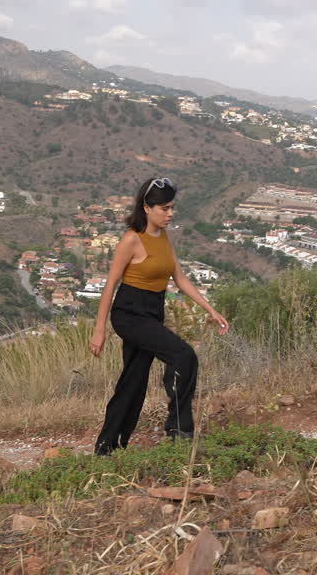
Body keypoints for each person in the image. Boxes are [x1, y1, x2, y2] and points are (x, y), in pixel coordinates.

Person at [88, 177, 229, 455]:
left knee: (134, 380)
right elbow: (110, 284)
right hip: (130, 313)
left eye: (172, 207)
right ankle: (179, 431)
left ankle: (108, 448)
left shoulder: (164, 237)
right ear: (147, 208)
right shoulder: (132, 239)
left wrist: (211, 310)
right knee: (184, 356)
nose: (170, 213)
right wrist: (99, 330)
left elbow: (180, 278)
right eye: (164, 208)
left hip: (153, 310)